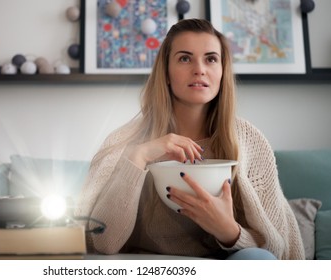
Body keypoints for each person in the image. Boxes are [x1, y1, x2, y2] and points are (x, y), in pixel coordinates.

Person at [76, 18, 304, 260]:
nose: (200, 69)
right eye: (185, 58)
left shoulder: (249, 141)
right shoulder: (124, 141)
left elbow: (276, 251)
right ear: (165, 72)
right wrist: (138, 157)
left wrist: (228, 231)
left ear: (222, 71)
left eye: (211, 59)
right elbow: (103, 243)